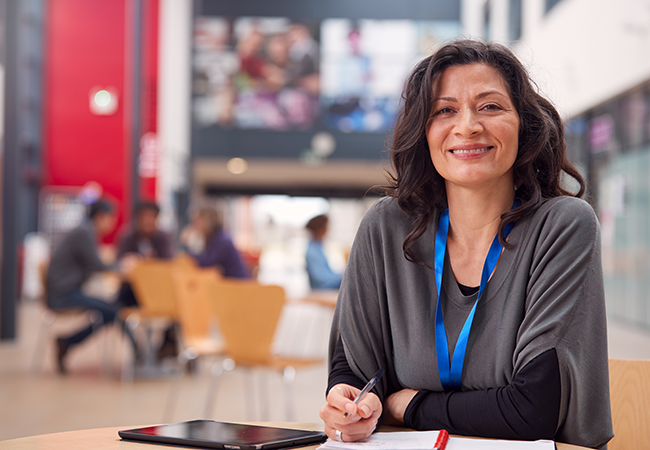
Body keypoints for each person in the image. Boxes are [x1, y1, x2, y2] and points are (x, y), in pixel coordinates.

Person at [320, 40, 613, 449]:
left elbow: (532, 410)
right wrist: (349, 402)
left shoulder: (562, 226)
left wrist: (409, 406)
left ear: (524, 124)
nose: (468, 126)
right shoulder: (385, 227)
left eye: (490, 106)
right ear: (424, 132)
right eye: (444, 110)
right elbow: (355, 371)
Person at [46, 199, 137, 374]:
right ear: (100, 217)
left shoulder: (85, 230)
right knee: (114, 311)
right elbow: (97, 265)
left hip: (69, 290)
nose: (112, 223)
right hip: (64, 294)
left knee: (112, 310)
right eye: (111, 218)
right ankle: (138, 352)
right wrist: (122, 266)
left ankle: (68, 342)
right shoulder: (84, 232)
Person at [116, 201, 174, 308]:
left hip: (157, 288)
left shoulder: (163, 237)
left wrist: (142, 261)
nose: (148, 220)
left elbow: (168, 263)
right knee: (117, 307)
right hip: (131, 288)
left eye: (152, 217)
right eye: (144, 216)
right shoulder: (127, 237)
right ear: (137, 218)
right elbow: (120, 262)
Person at [181, 204, 249, 279]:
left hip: (237, 286)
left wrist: (186, 244)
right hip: (229, 284)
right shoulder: (215, 238)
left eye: (197, 221)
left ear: (207, 221)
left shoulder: (223, 241)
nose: (194, 225)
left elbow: (204, 264)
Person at [305, 214, 343, 290]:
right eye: (327, 226)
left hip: (327, 286)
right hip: (323, 289)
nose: (328, 229)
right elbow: (321, 279)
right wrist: (342, 278)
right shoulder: (312, 251)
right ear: (321, 228)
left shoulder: (319, 247)